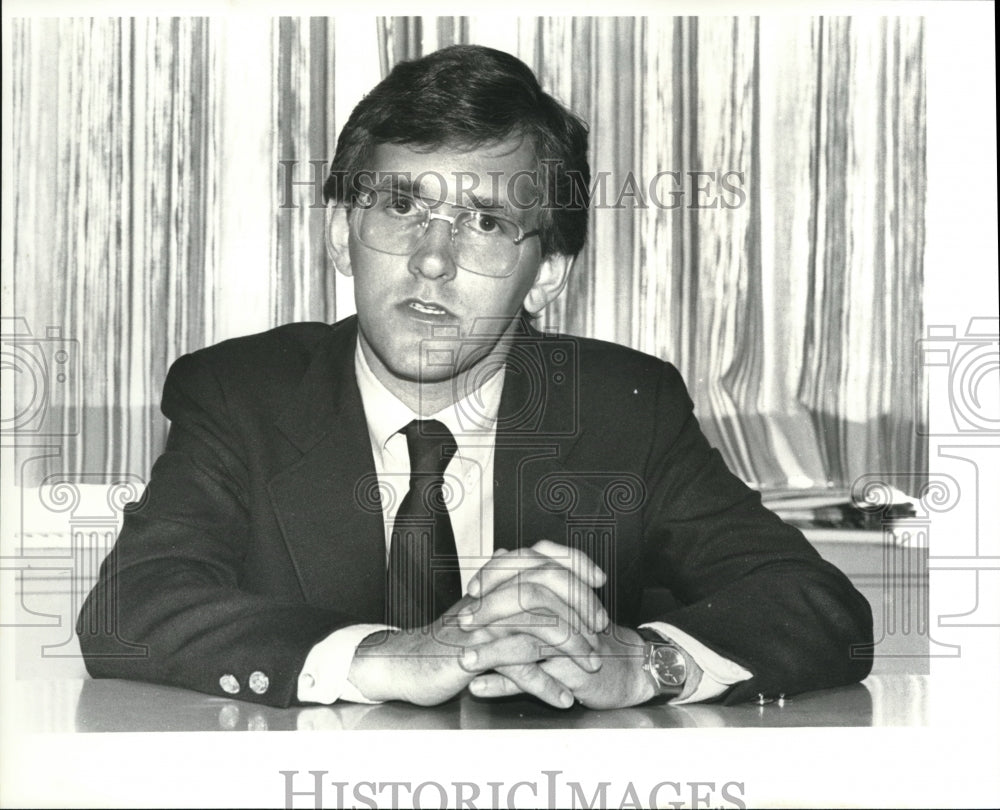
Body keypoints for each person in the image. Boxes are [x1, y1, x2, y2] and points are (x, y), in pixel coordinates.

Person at [77, 44, 872, 711]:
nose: (431, 260)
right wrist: (388, 657)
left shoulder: (624, 408)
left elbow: (820, 609)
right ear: (340, 232)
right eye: (399, 206)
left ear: (550, 270)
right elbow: (128, 608)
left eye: (486, 222)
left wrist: (643, 663)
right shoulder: (241, 393)